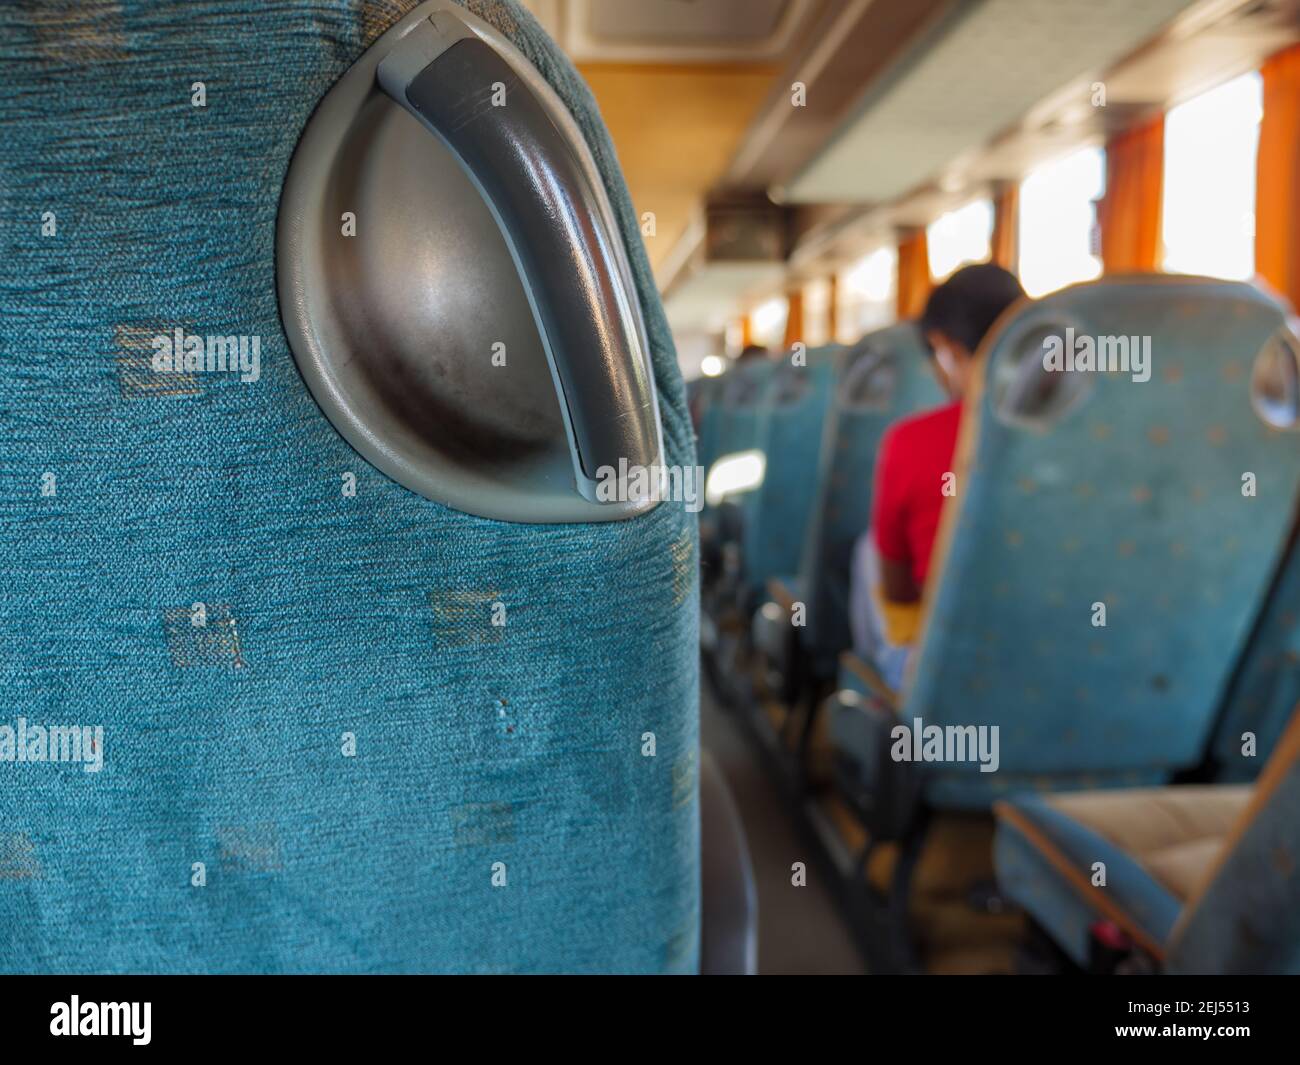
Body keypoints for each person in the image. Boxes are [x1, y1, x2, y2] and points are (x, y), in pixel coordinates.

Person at [849, 262, 1025, 689]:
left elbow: (899, 592)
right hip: (1066, 658)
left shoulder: (910, 442)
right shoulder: (1084, 435)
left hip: (952, 678)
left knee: (869, 550)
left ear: (943, 344)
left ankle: (871, 687)